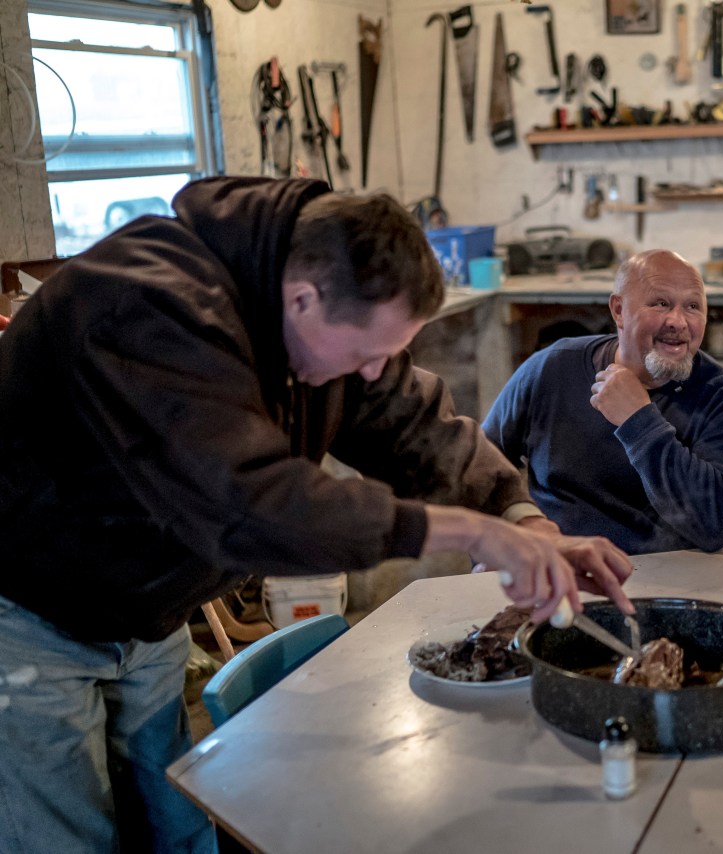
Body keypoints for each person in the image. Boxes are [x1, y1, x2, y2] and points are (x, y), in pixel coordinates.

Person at [0, 176, 633, 854]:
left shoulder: (324, 303)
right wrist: (474, 534)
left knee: (177, 827)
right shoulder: (148, 308)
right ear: (301, 298)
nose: (372, 373)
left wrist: (524, 521)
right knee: (65, 839)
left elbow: (411, 422)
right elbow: (249, 503)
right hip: (32, 616)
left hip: (149, 612)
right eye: (366, 354)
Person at [482, 249, 723, 554]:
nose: (679, 322)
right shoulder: (552, 368)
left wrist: (639, 421)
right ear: (618, 310)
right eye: (661, 304)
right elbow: (482, 466)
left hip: (675, 579)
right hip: (566, 569)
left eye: (693, 306)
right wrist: (494, 544)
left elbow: (715, 526)